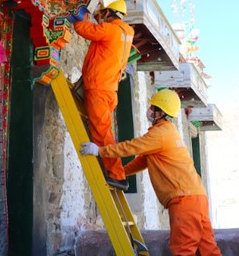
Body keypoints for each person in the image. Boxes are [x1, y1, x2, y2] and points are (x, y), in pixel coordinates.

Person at [80, 89, 221, 256]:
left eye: (152, 108)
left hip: (184, 200)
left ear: (160, 113)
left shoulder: (159, 134)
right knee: (208, 249)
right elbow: (143, 160)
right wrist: (120, 173)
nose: (149, 111)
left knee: (184, 250)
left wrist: (100, 151)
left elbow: (132, 147)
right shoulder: (167, 133)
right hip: (197, 198)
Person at [69, 0, 135, 191]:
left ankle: (117, 175)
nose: (100, 20)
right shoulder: (126, 33)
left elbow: (83, 29)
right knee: (104, 130)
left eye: (101, 16)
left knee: (102, 133)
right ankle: (114, 172)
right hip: (108, 89)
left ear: (108, 13)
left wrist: (79, 14)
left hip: (98, 88)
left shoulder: (111, 30)